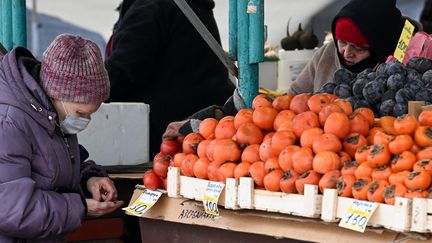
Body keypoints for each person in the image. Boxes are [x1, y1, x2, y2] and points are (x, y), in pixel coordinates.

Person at [0, 34, 123, 242]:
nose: (86, 121)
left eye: (91, 113)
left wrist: (88, 179)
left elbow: (50, 168)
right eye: (81, 113)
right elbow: (13, 209)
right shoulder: (9, 121)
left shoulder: (49, 112)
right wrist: (80, 207)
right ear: (58, 93)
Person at [105, 0, 235, 158]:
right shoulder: (183, 5)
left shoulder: (150, 6)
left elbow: (124, 69)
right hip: (204, 127)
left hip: (172, 131)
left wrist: (84, 88)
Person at [289, 0, 404, 94]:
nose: (347, 53)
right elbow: (294, 95)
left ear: (381, 47)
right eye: (342, 42)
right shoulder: (326, 53)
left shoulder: (403, 65)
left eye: (359, 48)